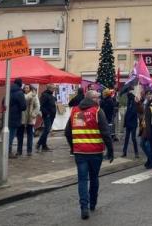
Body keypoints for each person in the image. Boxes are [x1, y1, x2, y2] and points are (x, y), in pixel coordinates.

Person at [65, 90, 114, 220]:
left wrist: (73, 146)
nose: (100, 99)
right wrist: (110, 150)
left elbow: (67, 132)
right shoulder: (97, 111)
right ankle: (92, 204)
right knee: (94, 178)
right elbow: (105, 133)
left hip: (80, 152)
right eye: (98, 97)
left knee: (82, 180)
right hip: (95, 152)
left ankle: (84, 208)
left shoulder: (76, 111)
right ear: (92, 98)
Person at [5, 78, 27, 158]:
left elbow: (3, 101)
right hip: (15, 117)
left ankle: (6, 151)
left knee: (7, 134)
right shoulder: (19, 93)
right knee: (11, 135)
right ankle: (8, 152)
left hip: (7, 116)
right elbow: (23, 106)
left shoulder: (8, 91)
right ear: (20, 84)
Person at [19, 85, 40, 156]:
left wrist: (33, 114)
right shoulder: (21, 95)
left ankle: (29, 151)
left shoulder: (34, 96)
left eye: (27, 88)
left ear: (30, 89)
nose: (25, 89)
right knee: (20, 135)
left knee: (30, 135)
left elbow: (37, 106)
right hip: (22, 117)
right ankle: (19, 151)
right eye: (24, 88)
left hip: (30, 117)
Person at [37, 83, 57, 151]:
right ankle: (39, 143)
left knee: (47, 130)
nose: (54, 90)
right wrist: (47, 113)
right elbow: (41, 106)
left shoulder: (50, 95)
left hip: (52, 115)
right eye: (53, 88)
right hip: (47, 115)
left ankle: (44, 146)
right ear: (49, 88)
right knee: (47, 130)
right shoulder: (45, 95)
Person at [139, 92, 152, 169]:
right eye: (148, 94)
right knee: (143, 144)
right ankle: (150, 161)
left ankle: (151, 161)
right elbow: (140, 112)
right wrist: (137, 103)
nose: (149, 95)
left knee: (146, 145)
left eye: (150, 94)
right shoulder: (144, 103)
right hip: (144, 127)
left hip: (148, 128)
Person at [122, 92, 139, 158]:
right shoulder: (130, 103)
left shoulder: (133, 103)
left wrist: (127, 120)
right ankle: (125, 152)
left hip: (132, 123)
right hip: (130, 123)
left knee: (133, 138)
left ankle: (135, 152)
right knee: (128, 138)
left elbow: (133, 112)